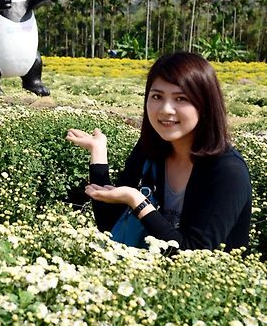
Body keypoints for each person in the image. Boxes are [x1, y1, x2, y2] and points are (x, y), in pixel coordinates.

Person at [66, 52, 251, 252]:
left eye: (181, 98)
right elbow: (109, 224)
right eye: (157, 96)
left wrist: (137, 200)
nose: (165, 109)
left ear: (205, 104)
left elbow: (193, 254)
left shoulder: (227, 171)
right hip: (143, 278)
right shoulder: (150, 149)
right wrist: (98, 152)